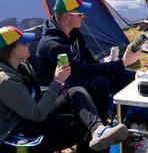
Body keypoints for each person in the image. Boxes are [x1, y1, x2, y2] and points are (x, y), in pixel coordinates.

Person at [0, 25, 128, 153]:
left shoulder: (22, 65)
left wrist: (60, 88)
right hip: (17, 129)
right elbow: (36, 114)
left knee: (77, 92)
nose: (29, 44)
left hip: (32, 112)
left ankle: (98, 130)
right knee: (79, 126)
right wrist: (57, 82)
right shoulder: (7, 80)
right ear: (11, 50)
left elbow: (35, 97)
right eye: (23, 43)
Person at [35, 0, 141, 123]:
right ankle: (99, 127)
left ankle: (117, 119)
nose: (83, 16)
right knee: (100, 83)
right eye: (80, 14)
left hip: (75, 77)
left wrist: (106, 62)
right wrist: (123, 63)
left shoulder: (73, 32)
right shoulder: (52, 44)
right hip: (56, 89)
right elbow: (82, 69)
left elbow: (89, 59)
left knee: (128, 77)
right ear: (67, 16)